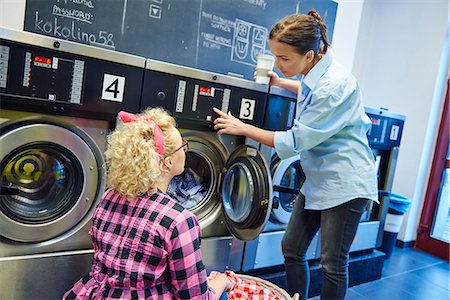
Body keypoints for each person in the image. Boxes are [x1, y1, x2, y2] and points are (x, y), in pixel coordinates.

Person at [213, 10, 378, 300]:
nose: (278, 63)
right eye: (275, 56)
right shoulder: (318, 72)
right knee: (292, 248)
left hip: (345, 183)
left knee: (332, 261)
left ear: (310, 54)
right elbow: (309, 89)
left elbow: (293, 141)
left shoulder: (336, 85)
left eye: (284, 59)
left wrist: (243, 127)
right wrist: (280, 82)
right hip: (319, 178)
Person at [64, 108, 233, 299]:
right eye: (183, 147)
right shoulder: (179, 220)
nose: (186, 151)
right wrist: (221, 281)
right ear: (167, 162)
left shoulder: (108, 197)